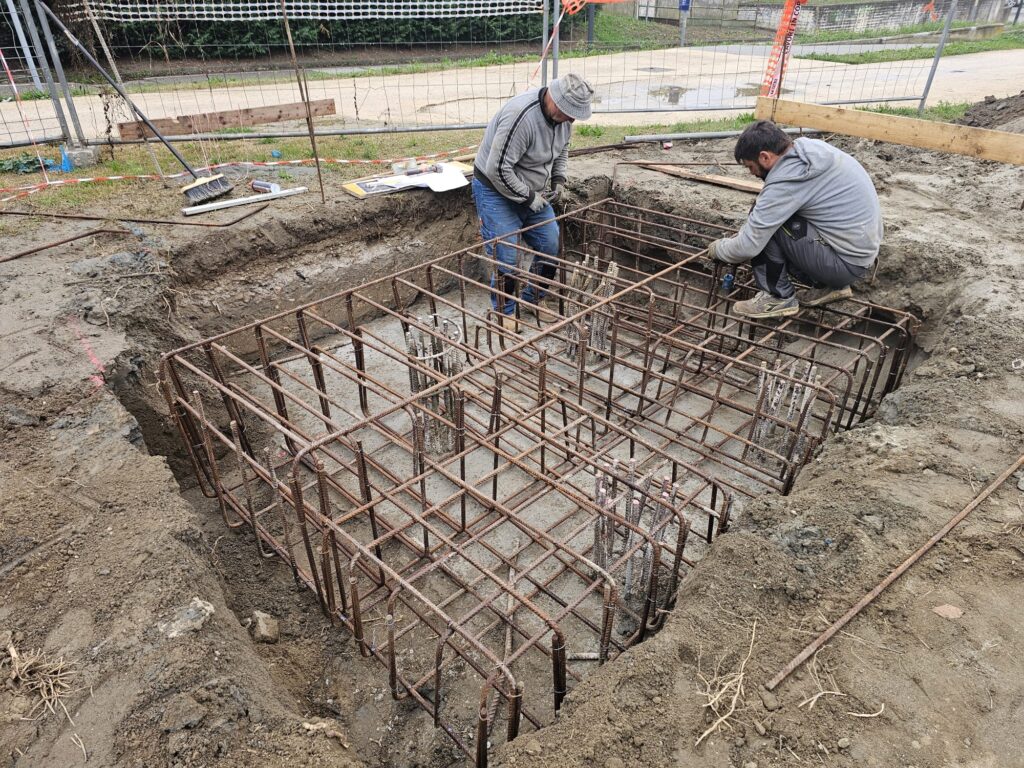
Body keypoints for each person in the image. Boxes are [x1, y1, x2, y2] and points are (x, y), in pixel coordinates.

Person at [707, 120, 882, 320]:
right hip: (857, 254)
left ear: (765, 157)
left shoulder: (789, 179)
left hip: (843, 264)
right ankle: (830, 286)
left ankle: (777, 297)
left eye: (750, 166)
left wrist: (719, 249)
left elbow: (749, 246)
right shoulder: (808, 150)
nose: (752, 173)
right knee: (769, 215)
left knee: (770, 223)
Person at [472, 73, 595, 327]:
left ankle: (533, 300)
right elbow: (497, 169)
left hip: (532, 191)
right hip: (495, 189)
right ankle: (504, 313)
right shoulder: (521, 117)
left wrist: (558, 179)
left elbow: (562, 149)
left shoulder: (563, 120)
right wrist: (528, 198)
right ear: (556, 100)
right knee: (506, 254)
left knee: (550, 245)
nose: (572, 119)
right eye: (570, 113)